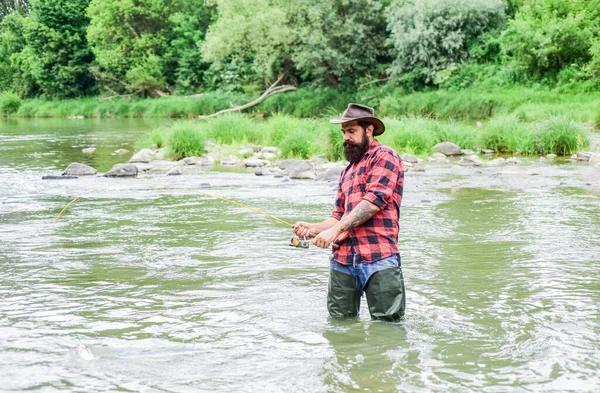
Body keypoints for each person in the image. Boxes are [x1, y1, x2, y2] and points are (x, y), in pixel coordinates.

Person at [293, 103, 405, 321]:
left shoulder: (385, 156)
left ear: (369, 130)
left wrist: (334, 232)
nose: (346, 137)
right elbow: (338, 214)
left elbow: (373, 202)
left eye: (352, 131)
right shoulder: (347, 171)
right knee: (339, 326)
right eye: (344, 132)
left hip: (379, 258)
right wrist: (314, 228)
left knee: (387, 329)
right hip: (342, 261)